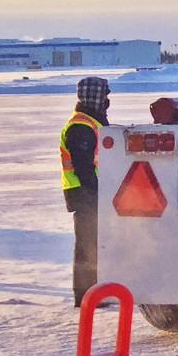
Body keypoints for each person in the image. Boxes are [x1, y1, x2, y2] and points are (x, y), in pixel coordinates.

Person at [60, 76, 110, 303]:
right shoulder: (81, 126)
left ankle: (96, 291)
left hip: (91, 193)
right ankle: (86, 296)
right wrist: (99, 192)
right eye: (105, 95)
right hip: (85, 194)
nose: (107, 100)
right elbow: (84, 167)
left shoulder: (92, 121)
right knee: (88, 246)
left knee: (97, 244)